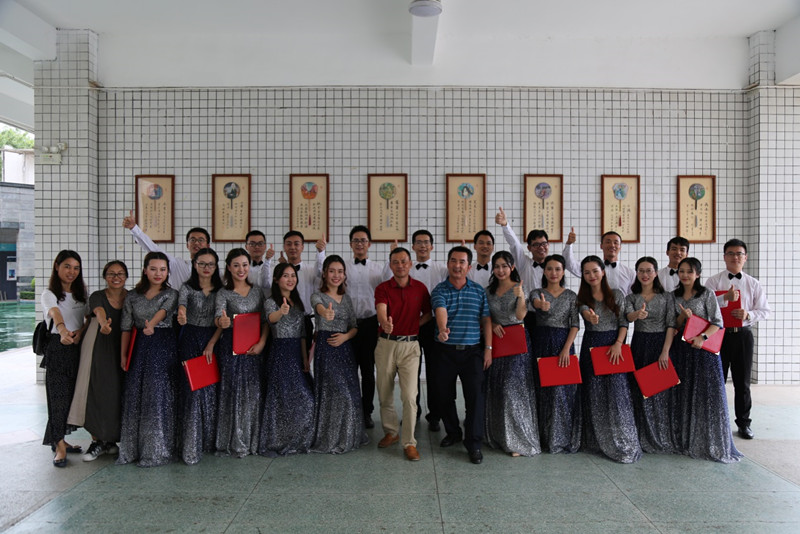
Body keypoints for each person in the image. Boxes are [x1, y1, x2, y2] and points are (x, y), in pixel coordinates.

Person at [669, 257, 742, 462]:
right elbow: (673, 324)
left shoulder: (707, 293)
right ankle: (686, 440)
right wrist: (683, 318)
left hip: (703, 351)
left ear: (698, 274)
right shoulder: (673, 296)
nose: (685, 275)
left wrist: (702, 337)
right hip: (682, 351)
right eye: (682, 271)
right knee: (684, 394)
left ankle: (708, 440)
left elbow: (718, 322)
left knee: (706, 395)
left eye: (689, 271)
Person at [575, 255, 641, 463]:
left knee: (617, 393)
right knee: (593, 393)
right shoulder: (582, 297)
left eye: (595, 271)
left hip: (614, 346)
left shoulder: (617, 294)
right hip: (592, 346)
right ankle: (595, 440)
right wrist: (590, 317)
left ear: (603, 272)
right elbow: (585, 312)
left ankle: (621, 438)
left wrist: (619, 343)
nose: (591, 275)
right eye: (587, 272)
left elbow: (624, 322)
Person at [118, 252, 179, 467]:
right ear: (145, 270)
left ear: (168, 272)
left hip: (163, 346)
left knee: (158, 395)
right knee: (136, 395)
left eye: (163, 269)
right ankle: (133, 449)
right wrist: (124, 354)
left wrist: (151, 324)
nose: (158, 273)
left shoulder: (172, 294)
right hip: (139, 347)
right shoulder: (132, 296)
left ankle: (158, 448)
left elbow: (164, 311)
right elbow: (126, 327)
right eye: (153, 269)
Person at [431, 246, 492, 465]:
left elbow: (486, 320)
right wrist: (442, 329)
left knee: (475, 397)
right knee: (444, 395)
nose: (457, 266)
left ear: (469, 266)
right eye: (453, 261)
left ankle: (474, 443)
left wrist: (488, 348)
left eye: (462, 262)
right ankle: (453, 432)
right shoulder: (439, 290)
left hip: (473, 352)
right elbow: (440, 310)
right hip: (445, 351)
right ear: (448, 264)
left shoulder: (478, 291)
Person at [706, 239, 770, 440]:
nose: (735, 257)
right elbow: (705, 306)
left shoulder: (753, 283)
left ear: (745, 257)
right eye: (731, 253)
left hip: (743, 335)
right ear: (724, 257)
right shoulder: (713, 282)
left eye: (739, 254)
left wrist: (748, 314)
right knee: (717, 380)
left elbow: (765, 310)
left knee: (742, 382)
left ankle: (744, 423)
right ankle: (715, 423)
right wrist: (724, 298)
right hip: (718, 335)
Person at [374, 247, 432, 461]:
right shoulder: (383, 288)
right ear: (390, 265)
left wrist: (415, 324)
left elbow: (428, 312)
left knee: (409, 396)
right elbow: (381, 310)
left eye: (404, 261)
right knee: (384, 392)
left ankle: (409, 442)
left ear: (410, 264)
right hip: (386, 344)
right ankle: (391, 432)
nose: (400, 265)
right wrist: (384, 323)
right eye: (395, 262)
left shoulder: (420, 288)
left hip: (410, 346)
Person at [484, 251, 540, 457]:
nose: (500, 270)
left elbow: (520, 315)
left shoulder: (519, 287)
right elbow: (485, 316)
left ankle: (518, 441)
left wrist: (521, 296)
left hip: (517, 342)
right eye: (497, 266)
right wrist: (494, 324)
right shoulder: (488, 291)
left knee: (513, 390)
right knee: (497, 387)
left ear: (512, 267)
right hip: (497, 341)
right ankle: (499, 436)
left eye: (504, 266)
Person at [310, 255, 367, 454]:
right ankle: (330, 437)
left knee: (350, 393)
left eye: (340, 271)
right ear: (325, 274)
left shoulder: (347, 299)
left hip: (344, 348)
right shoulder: (317, 296)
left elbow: (354, 326)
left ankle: (348, 435)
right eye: (332, 271)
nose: (336, 275)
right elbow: (319, 308)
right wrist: (325, 313)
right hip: (326, 349)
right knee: (333, 393)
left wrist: (345, 337)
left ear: (344, 275)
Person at [214, 248, 268, 457]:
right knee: (234, 392)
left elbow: (265, 321)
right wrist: (222, 321)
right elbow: (218, 317)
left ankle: (253, 439)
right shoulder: (223, 293)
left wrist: (262, 343)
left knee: (254, 393)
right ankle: (235, 440)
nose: (241, 269)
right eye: (236, 265)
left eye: (245, 265)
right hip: (231, 350)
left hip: (254, 350)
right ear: (229, 267)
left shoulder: (257, 291)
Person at [72, 260, 128, 462]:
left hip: (123, 346)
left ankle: (111, 441)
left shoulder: (131, 297)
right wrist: (104, 324)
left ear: (126, 277)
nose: (116, 277)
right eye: (111, 274)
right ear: (105, 277)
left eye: (120, 274)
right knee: (97, 390)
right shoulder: (97, 296)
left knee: (117, 392)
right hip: (99, 345)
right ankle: (96, 440)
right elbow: (99, 312)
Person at [260, 262, 315, 456]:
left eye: (293, 276)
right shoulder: (270, 302)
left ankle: (299, 438)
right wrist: (280, 312)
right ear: (276, 279)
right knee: (281, 398)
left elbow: (302, 334)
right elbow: (270, 319)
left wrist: (305, 358)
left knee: (306, 398)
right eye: (286, 276)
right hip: (280, 353)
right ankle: (280, 438)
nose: (290, 279)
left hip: (296, 353)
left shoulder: (297, 302)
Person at [41, 250, 90, 467]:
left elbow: (88, 318)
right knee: (57, 398)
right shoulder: (49, 294)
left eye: (76, 268)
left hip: (77, 348)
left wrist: (80, 332)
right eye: (67, 266)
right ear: (57, 266)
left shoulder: (81, 295)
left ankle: (59, 438)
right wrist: (62, 331)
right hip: (58, 348)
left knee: (70, 398)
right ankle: (59, 445)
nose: (72, 272)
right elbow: (55, 313)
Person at [624, 257, 677, 454]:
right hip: (639, 344)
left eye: (649, 271)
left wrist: (665, 351)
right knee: (639, 389)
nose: (645, 275)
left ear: (655, 273)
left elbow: (671, 325)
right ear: (636, 273)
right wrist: (636, 315)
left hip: (660, 345)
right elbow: (627, 317)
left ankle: (660, 435)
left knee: (659, 391)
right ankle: (640, 435)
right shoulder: (631, 297)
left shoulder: (666, 297)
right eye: (641, 271)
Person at [177, 248, 224, 464]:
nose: (206, 268)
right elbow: (182, 305)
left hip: (213, 339)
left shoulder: (221, 290)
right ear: (195, 265)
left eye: (210, 264)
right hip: (190, 339)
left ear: (216, 267)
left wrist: (212, 342)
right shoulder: (187, 288)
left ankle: (210, 441)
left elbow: (221, 318)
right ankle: (191, 442)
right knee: (192, 389)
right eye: (202, 263)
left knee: (211, 389)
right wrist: (182, 314)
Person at [531, 254, 581, 454]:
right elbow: (534, 301)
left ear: (563, 271)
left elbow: (575, 324)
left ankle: (560, 438)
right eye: (550, 269)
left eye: (558, 269)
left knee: (562, 392)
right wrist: (540, 305)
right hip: (542, 344)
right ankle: (543, 438)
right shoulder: (537, 292)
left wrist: (566, 348)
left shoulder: (571, 296)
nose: (553, 273)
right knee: (542, 390)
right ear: (544, 271)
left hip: (564, 345)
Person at [344, 225, 387, 429]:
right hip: (348, 324)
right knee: (349, 369)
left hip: (370, 324)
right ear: (350, 244)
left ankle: (367, 411)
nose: (359, 244)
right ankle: (351, 410)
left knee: (368, 371)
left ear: (369, 244)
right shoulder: (343, 267)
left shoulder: (379, 269)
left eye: (363, 240)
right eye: (356, 240)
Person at [409, 229, 448, 431]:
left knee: (435, 372)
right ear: (413, 246)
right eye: (419, 242)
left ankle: (435, 415)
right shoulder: (407, 268)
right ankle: (412, 412)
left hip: (435, 324)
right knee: (411, 372)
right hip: (412, 325)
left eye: (426, 242)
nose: (423, 246)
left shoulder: (442, 269)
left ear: (432, 246)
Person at [122, 210, 209, 288]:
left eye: (201, 240)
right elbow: (153, 248)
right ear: (187, 245)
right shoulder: (178, 265)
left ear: (208, 245)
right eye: (192, 240)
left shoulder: (213, 268)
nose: (196, 243)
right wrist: (134, 228)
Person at [275, 230, 326, 347]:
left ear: (302, 247)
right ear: (284, 247)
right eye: (289, 244)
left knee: (305, 357)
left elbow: (319, 299)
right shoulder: (277, 271)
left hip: (305, 321)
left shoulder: (311, 271)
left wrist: (320, 252)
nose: (293, 247)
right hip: (282, 321)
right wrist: (281, 267)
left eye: (296, 244)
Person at [564, 230, 635, 295]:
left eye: (616, 242)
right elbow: (570, 264)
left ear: (620, 247)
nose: (612, 245)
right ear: (601, 246)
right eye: (608, 242)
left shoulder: (630, 273)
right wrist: (569, 244)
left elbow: (631, 297)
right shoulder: (591, 268)